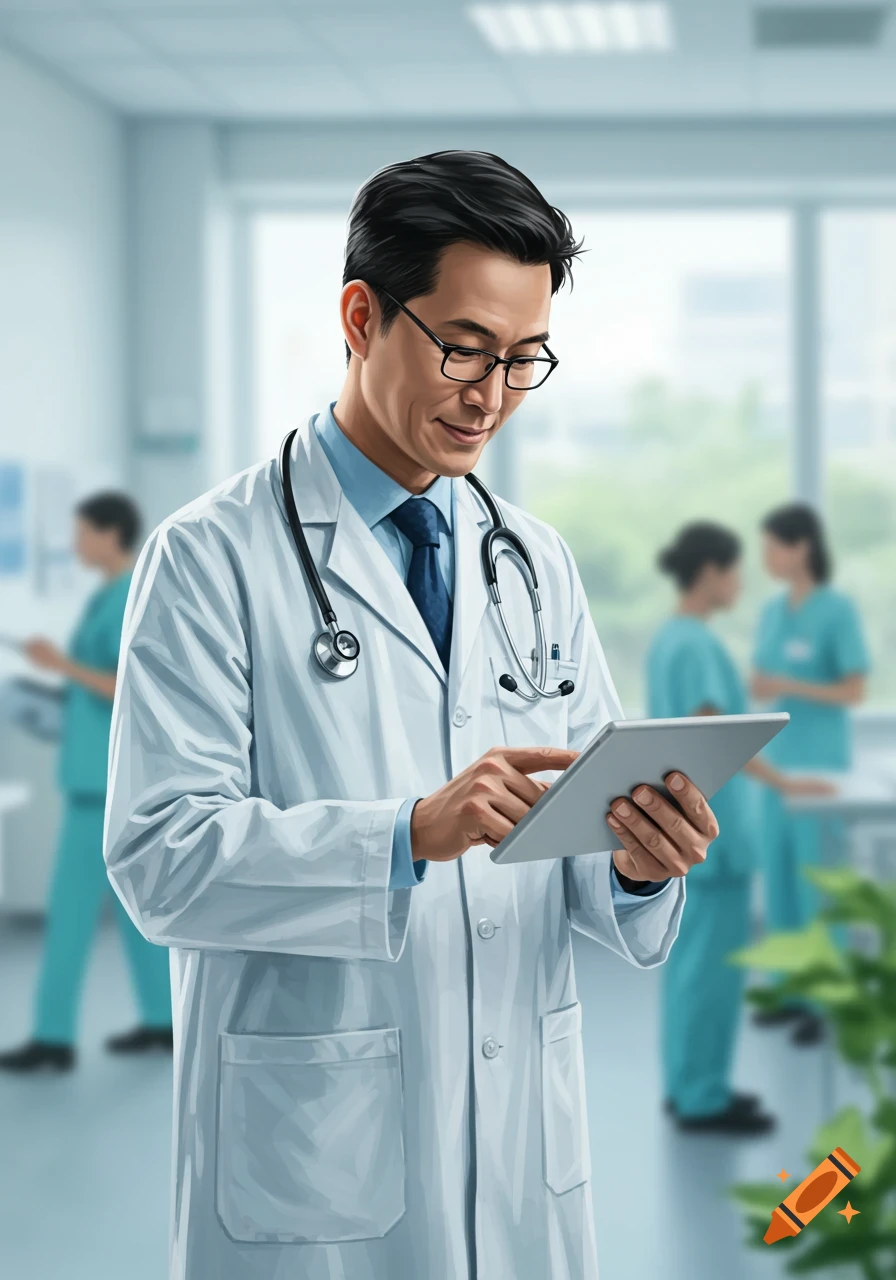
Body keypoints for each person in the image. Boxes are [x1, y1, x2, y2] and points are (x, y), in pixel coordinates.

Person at [103, 151, 719, 1280]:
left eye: (523, 358)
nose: (490, 393)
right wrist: (401, 835)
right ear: (360, 315)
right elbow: (159, 860)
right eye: (463, 346)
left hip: (520, 1145)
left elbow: (572, 840)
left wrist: (637, 860)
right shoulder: (211, 557)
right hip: (310, 1161)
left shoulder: (532, 561)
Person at [648, 523, 831, 1136]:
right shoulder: (696, 645)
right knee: (713, 971)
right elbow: (717, 737)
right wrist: (786, 784)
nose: (740, 581)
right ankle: (702, 1097)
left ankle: (688, 1085)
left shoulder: (669, 640)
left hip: (687, 827)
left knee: (693, 964)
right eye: (734, 570)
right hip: (714, 833)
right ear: (709, 572)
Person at [0, 493, 173, 1075]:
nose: (74, 545)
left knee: (70, 916)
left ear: (109, 534)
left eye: (81, 533)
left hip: (100, 791)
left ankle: (51, 1037)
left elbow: (129, 685)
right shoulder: (107, 595)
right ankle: (162, 1022)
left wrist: (62, 667)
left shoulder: (125, 595)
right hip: (98, 780)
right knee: (133, 917)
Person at [751, 503, 869, 1046]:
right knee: (779, 885)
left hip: (820, 771)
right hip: (777, 770)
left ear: (800, 547)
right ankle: (790, 992)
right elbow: (763, 679)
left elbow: (853, 689)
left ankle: (827, 1004)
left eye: (773, 546)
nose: (766, 557)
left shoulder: (836, 611)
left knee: (816, 888)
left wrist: (791, 686)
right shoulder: (773, 612)